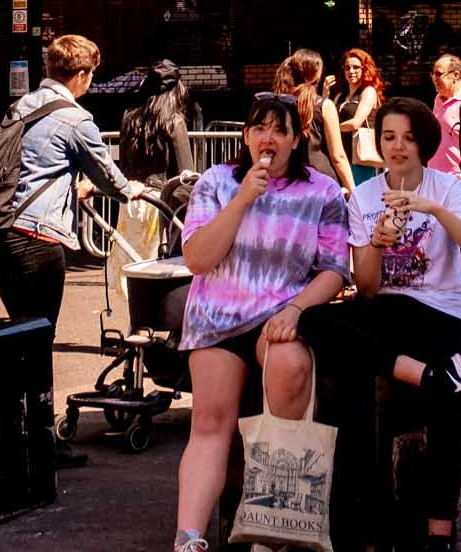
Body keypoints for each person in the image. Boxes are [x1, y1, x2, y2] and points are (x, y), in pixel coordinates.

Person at [301, 97, 461, 543]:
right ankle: (430, 376)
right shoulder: (364, 197)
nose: (398, 147)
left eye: (408, 138)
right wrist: (377, 245)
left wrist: (434, 210)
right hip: (388, 313)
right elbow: (366, 288)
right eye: (389, 137)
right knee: (311, 322)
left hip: (443, 315)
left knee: (448, 408)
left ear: (424, 142)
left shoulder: (446, 187)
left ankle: (438, 532)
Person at [173, 91, 349, 552]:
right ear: (246, 136)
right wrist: (242, 201)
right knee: (210, 423)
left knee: (291, 368)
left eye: (279, 129)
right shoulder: (216, 182)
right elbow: (197, 257)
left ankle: (271, 530)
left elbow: (335, 269)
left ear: (295, 139)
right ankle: (188, 538)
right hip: (218, 317)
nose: (267, 138)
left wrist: (295, 310)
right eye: (258, 128)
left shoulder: (322, 191)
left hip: (280, 316)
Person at [0, 31, 133, 434]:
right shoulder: (76, 118)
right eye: (92, 75)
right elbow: (113, 181)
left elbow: (32, 168)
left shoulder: (21, 106)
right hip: (38, 240)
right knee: (39, 339)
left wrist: (73, 185)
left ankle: (15, 426)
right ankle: (39, 436)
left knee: (21, 333)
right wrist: (131, 190)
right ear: (81, 75)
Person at [275, 49, 353, 191]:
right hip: (322, 182)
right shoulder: (324, 106)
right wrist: (352, 189)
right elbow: (338, 156)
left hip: (288, 181)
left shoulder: (280, 104)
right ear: (317, 74)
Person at [118, 61, 196, 181]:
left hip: (131, 192)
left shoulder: (128, 117)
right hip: (160, 196)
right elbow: (185, 173)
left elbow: (124, 163)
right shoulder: (174, 122)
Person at [336, 47, 386, 185]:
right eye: (347, 68)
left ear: (365, 69)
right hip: (342, 155)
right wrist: (324, 95)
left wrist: (332, 129)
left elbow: (355, 123)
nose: (351, 71)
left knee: (361, 196)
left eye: (356, 67)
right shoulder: (341, 95)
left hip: (360, 155)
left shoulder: (368, 91)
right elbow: (328, 117)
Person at [428, 53, 461, 175]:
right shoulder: (438, 99)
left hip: (457, 180)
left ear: (455, 75)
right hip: (435, 178)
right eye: (432, 74)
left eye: (438, 74)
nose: (434, 78)